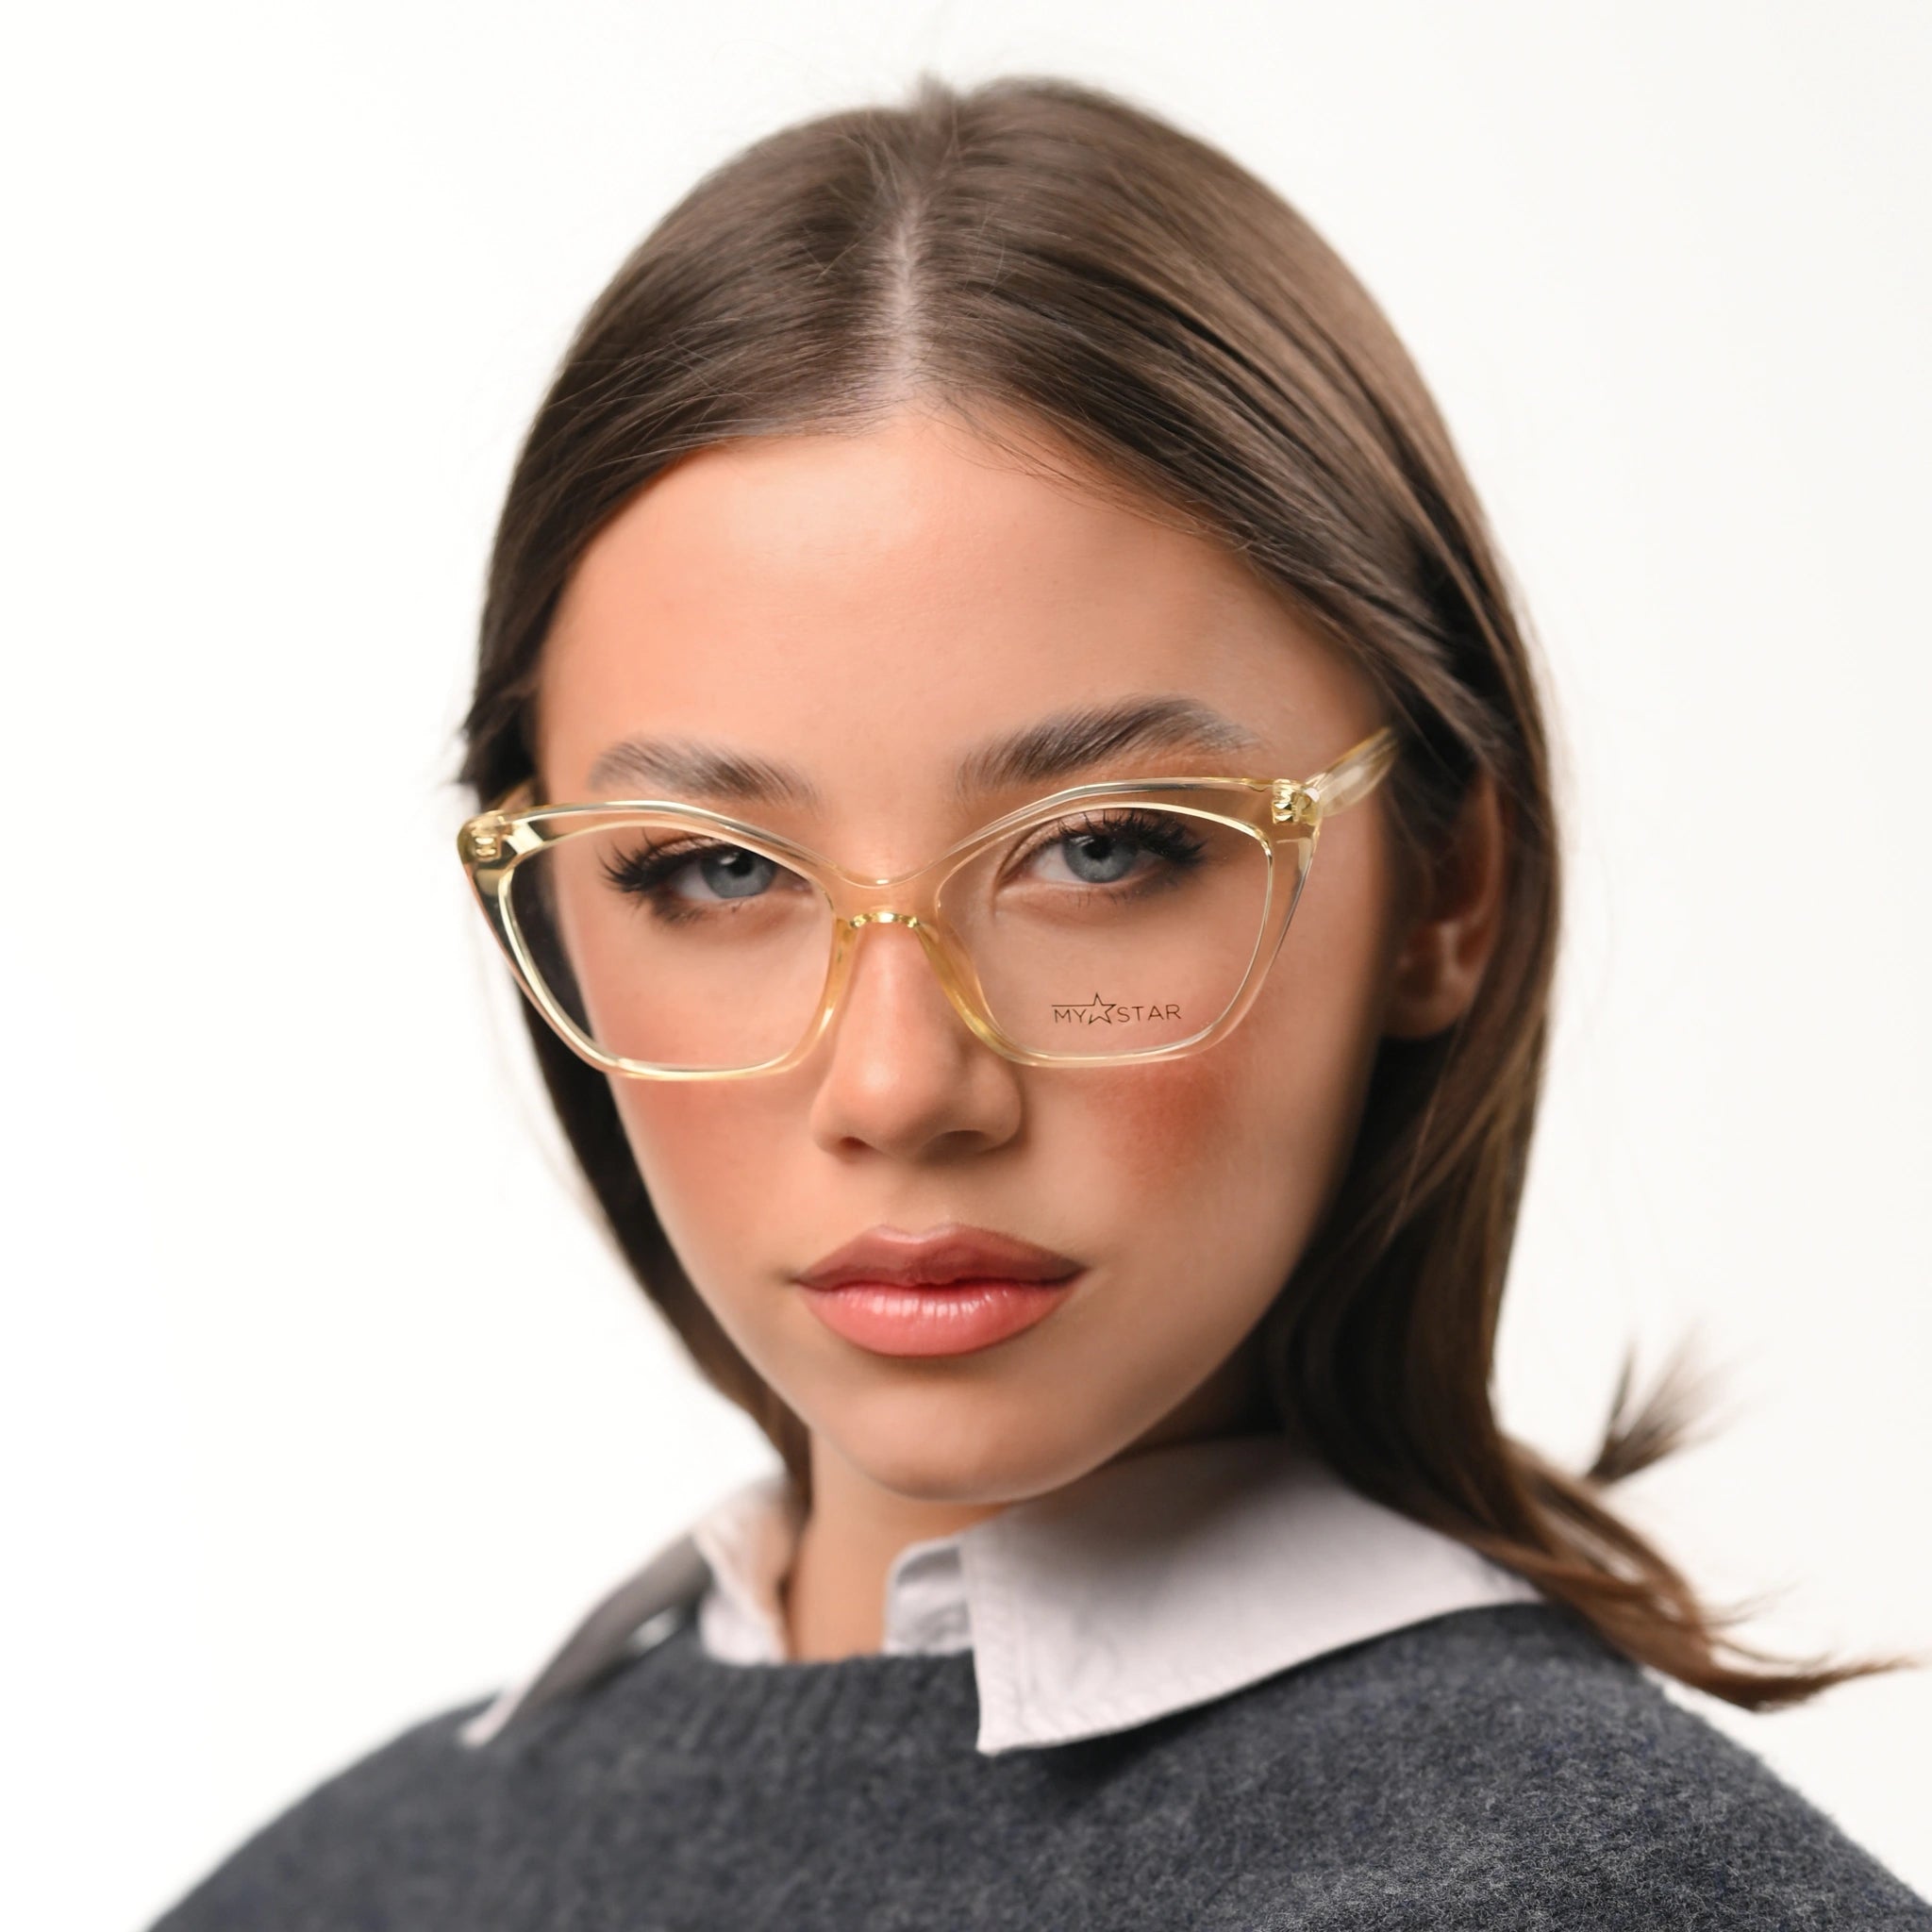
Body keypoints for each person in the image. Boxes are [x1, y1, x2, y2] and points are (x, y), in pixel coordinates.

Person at [149, 72, 1931, 1929]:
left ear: (1443, 888)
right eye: (718, 870)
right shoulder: (335, 1890)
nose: (898, 1082)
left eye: (1102, 849)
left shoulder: (1601, 1887)